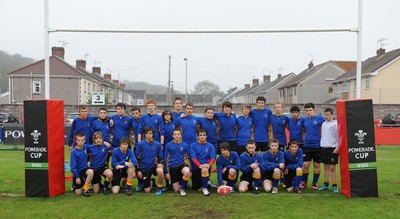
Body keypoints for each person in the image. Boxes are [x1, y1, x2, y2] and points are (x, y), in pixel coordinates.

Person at [300, 103, 325, 190]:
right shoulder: (304, 120)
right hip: (307, 145)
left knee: (317, 165)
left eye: (310, 110)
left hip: (317, 145)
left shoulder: (320, 119)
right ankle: (304, 182)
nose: (308, 112)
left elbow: (324, 129)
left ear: (314, 110)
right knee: (305, 165)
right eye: (307, 111)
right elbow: (303, 130)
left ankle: (315, 183)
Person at [135, 126, 165, 195]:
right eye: (147, 133)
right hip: (144, 168)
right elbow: (136, 158)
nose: (148, 135)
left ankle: (159, 187)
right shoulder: (140, 144)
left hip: (153, 166)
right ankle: (151, 181)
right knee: (147, 191)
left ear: (153, 134)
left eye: (150, 133)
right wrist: (139, 170)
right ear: (144, 135)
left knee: (160, 170)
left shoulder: (157, 144)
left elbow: (161, 157)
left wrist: (160, 163)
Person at [163, 129, 191, 196]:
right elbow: (165, 158)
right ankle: (183, 183)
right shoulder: (168, 145)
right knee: (176, 190)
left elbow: (190, 157)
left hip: (182, 166)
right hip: (173, 168)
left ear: (181, 135)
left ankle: (183, 188)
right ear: (172, 136)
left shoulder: (184, 145)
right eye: (175, 134)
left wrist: (191, 170)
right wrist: (166, 172)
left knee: (187, 171)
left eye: (178, 134)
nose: (177, 136)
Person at [190, 129, 216, 196]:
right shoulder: (193, 145)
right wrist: (199, 165)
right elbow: (193, 158)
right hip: (196, 168)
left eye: (204, 135)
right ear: (197, 136)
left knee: (204, 170)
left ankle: (205, 189)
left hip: (206, 167)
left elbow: (213, 158)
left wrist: (208, 165)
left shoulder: (210, 146)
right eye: (200, 135)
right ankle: (208, 184)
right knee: (196, 189)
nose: (202, 137)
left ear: (206, 136)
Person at [318, 108, 339, 193]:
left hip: (332, 148)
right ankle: (326, 184)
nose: (326, 116)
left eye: (328, 114)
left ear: (332, 114)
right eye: (325, 115)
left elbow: (338, 137)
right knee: (326, 167)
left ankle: (335, 185)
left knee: (332, 167)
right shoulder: (323, 124)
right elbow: (323, 136)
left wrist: (337, 147)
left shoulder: (335, 124)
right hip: (324, 148)